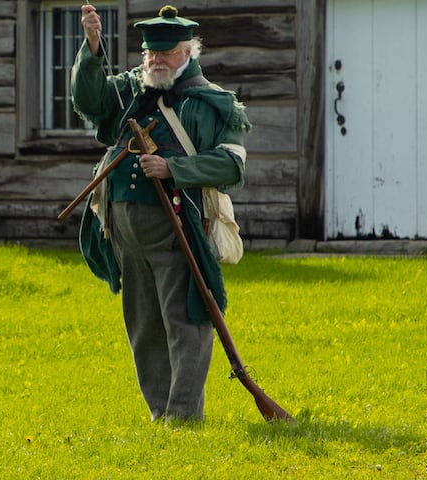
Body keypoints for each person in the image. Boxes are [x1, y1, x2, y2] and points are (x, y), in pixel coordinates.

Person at [71, 4, 249, 423]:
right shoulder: (131, 90)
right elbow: (90, 99)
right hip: (125, 231)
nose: (154, 61)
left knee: (184, 319)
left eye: (164, 54)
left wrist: (174, 168)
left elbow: (232, 164)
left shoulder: (212, 102)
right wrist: (92, 48)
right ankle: (160, 412)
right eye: (150, 54)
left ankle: (184, 415)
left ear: (187, 52)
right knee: (143, 324)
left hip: (177, 225)